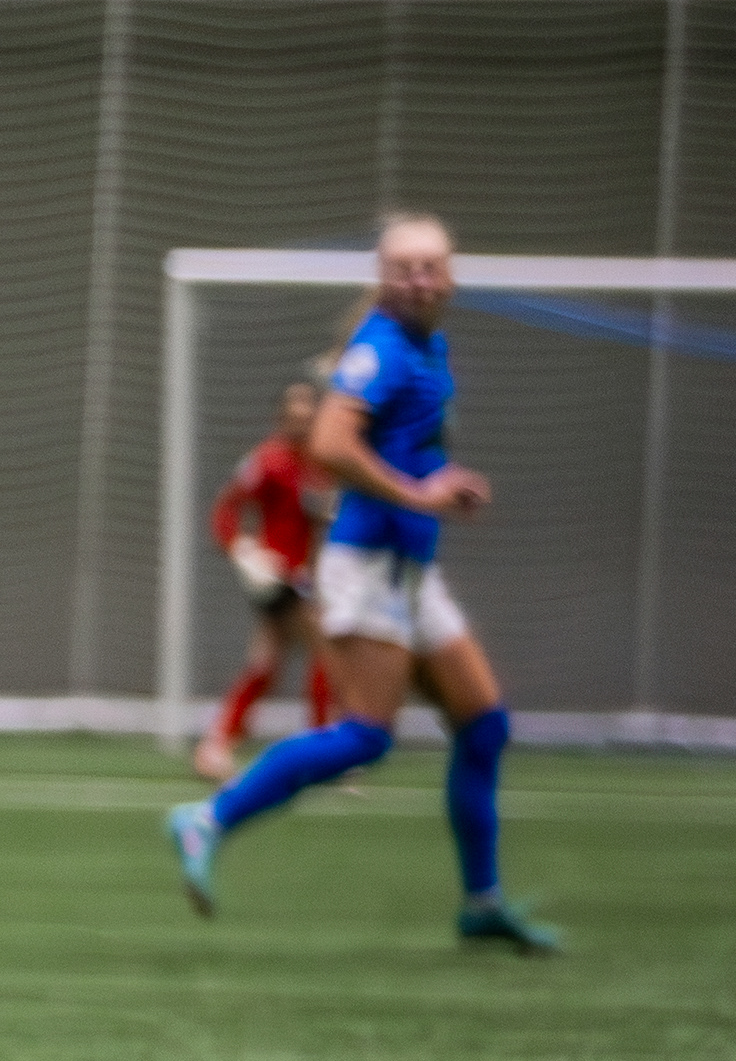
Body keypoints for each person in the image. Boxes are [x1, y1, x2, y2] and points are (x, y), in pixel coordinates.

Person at [167, 216, 561, 950]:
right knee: (365, 738)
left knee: (483, 724)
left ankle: (482, 903)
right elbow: (329, 442)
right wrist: (419, 496)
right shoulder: (381, 349)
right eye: (404, 268)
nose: (419, 280)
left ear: (450, 276)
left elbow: (403, 448)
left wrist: (440, 484)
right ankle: (207, 819)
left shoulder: (427, 345)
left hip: (409, 569)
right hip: (367, 566)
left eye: (431, 267)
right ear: (382, 277)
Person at [191, 383, 336, 785]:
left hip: (309, 578)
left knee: (266, 663)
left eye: (309, 413)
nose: (302, 420)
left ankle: (217, 743)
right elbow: (225, 508)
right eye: (294, 414)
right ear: (281, 419)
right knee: (324, 652)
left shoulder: (323, 464)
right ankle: (323, 752)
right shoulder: (268, 461)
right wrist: (242, 550)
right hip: (279, 578)